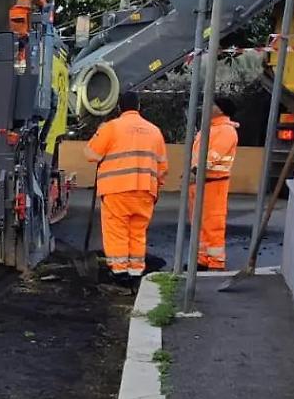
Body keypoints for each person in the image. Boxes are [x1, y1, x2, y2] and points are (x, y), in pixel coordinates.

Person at [84, 91, 169, 285]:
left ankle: (120, 272)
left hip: (116, 190)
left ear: (119, 107)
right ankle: (136, 271)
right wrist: (156, 187)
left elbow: (91, 154)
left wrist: (98, 132)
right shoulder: (154, 131)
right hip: (146, 191)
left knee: (117, 231)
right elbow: (163, 167)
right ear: (139, 107)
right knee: (138, 232)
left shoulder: (111, 128)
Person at [188, 98, 239, 271]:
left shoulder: (226, 131)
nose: (208, 107)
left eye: (213, 105)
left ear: (221, 110)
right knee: (201, 224)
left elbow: (212, 157)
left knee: (213, 224)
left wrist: (194, 171)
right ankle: (203, 260)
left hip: (214, 184)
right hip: (202, 183)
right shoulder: (211, 129)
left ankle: (216, 263)